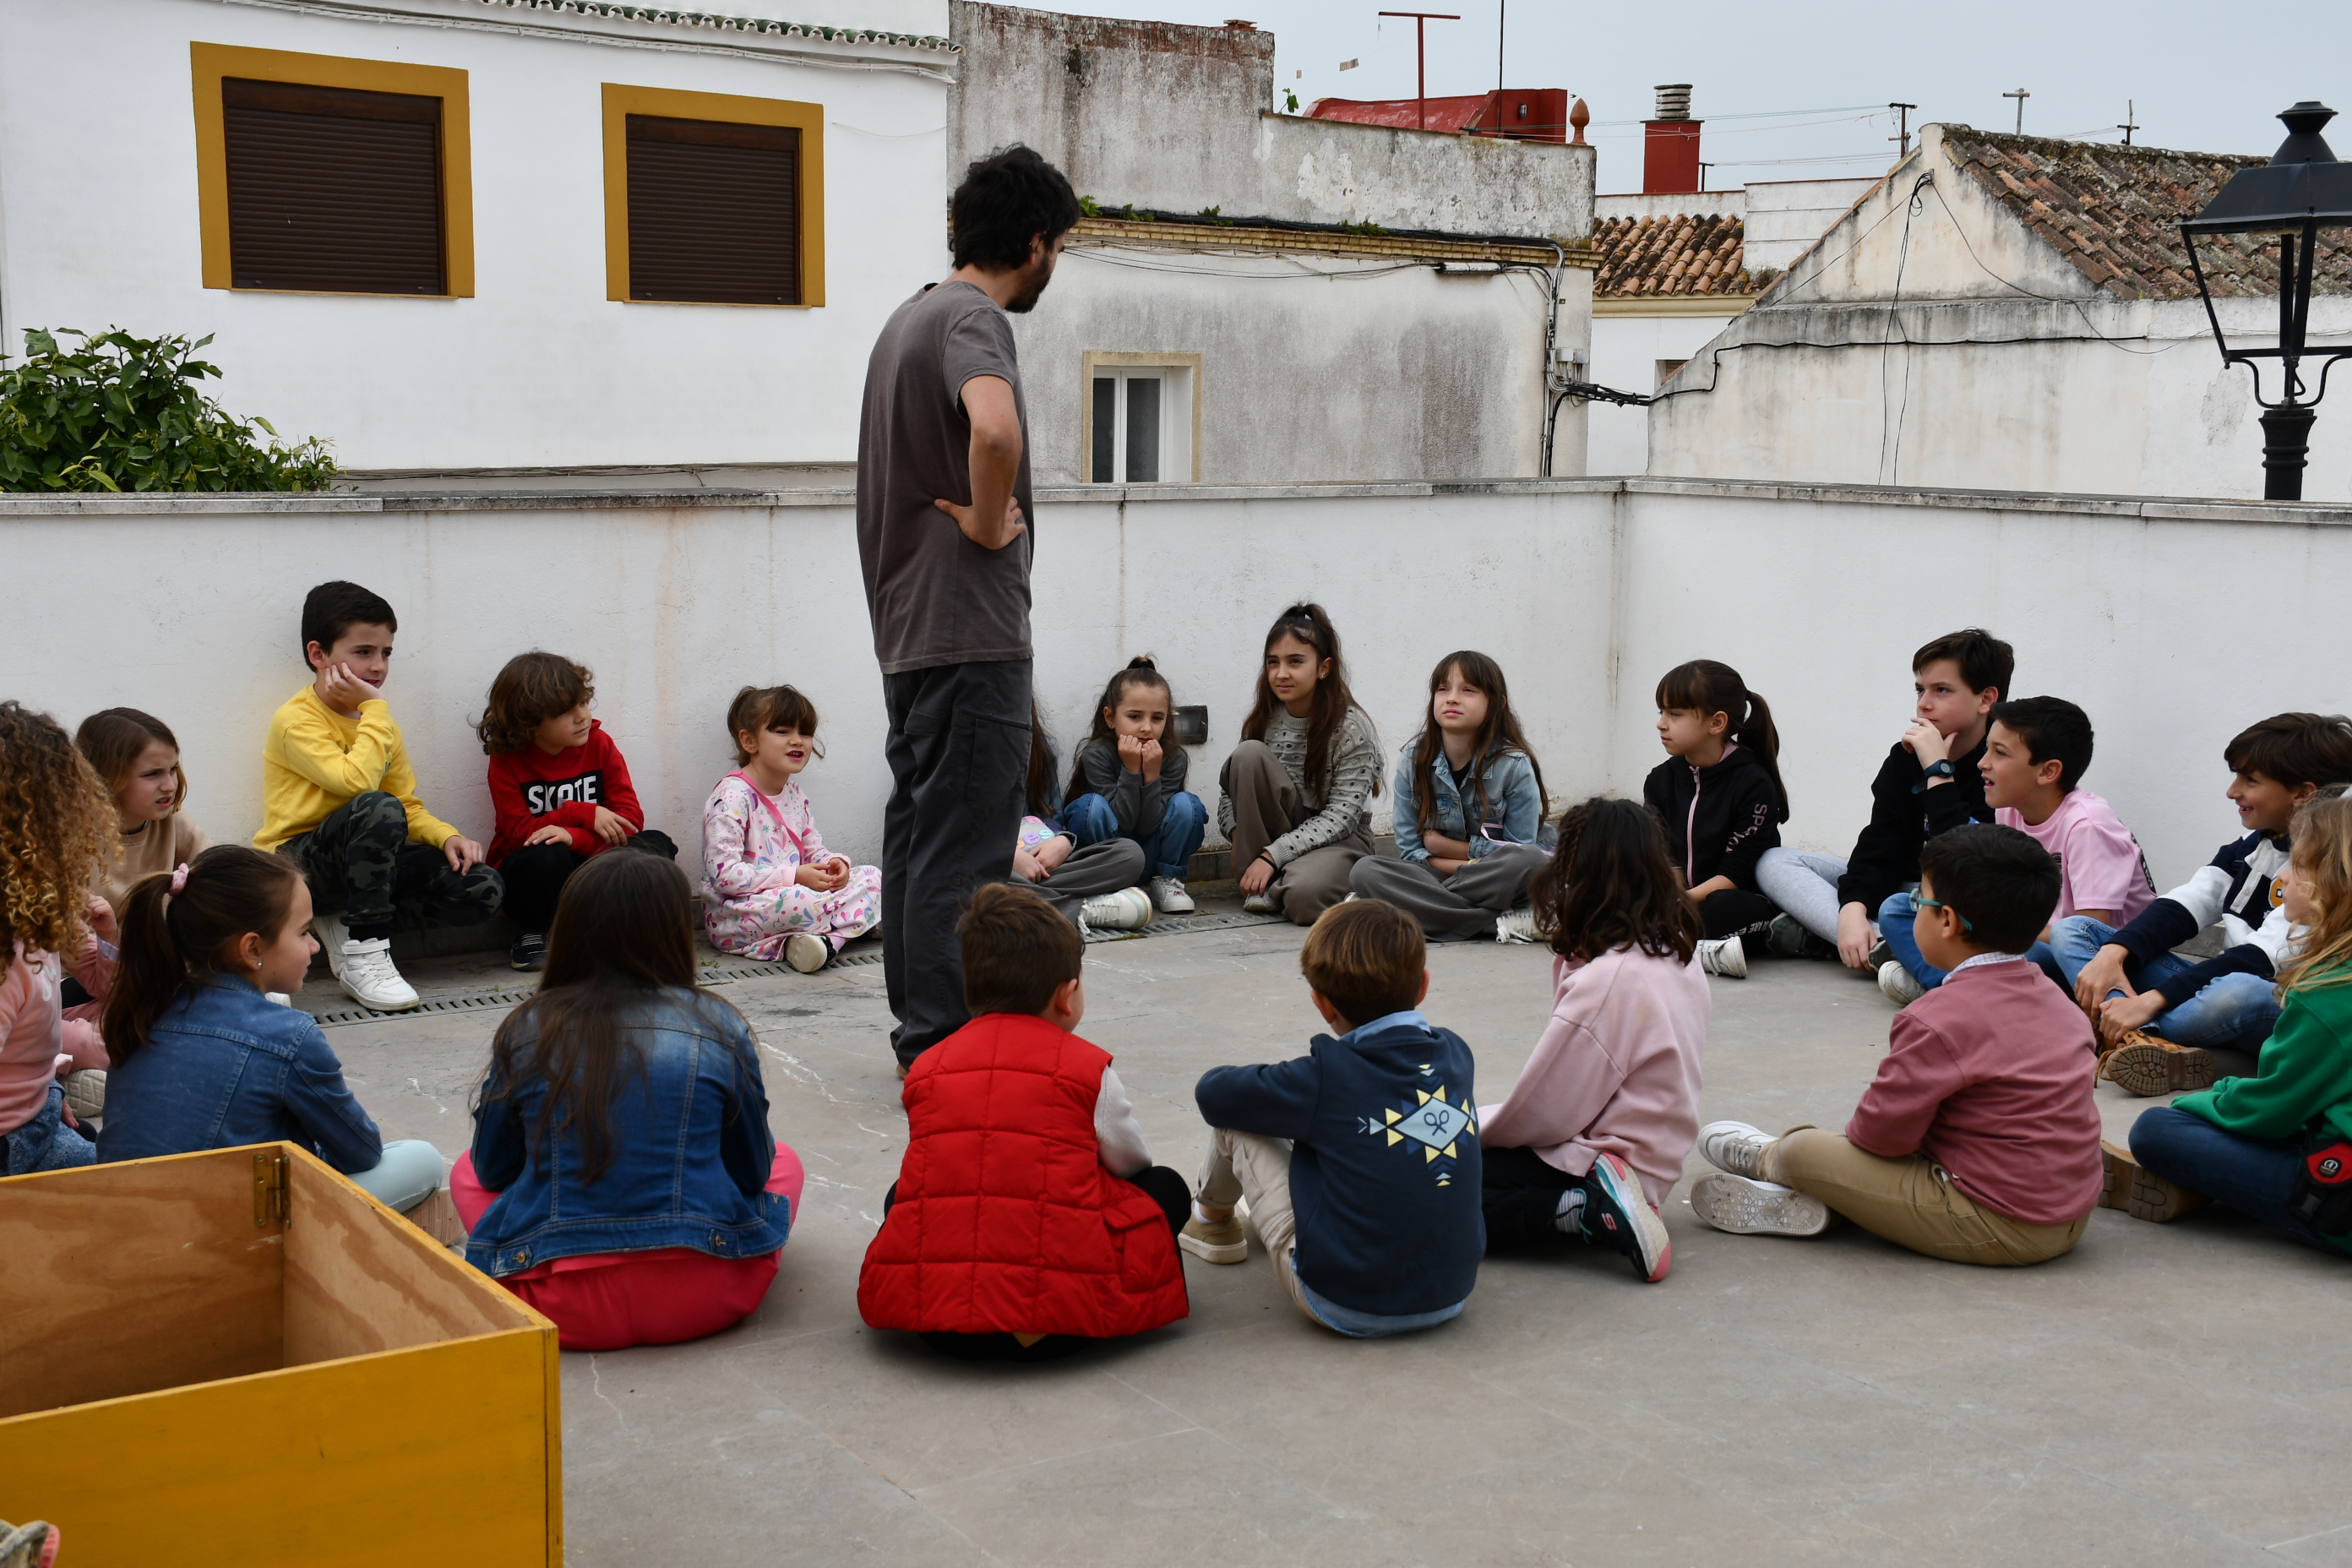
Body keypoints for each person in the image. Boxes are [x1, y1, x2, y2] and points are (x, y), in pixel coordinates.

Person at [858, 144, 1080, 1074]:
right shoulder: (973, 319)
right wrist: (990, 526)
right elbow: (994, 427)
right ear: (1034, 242)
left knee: (920, 838)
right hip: (971, 633)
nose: (1055, 262)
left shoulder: (905, 320)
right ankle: (948, 1049)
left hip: (911, 633)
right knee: (969, 850)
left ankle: (922, 1034)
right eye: (1058, 245)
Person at [1689, 823, 2103, 1266]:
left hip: (1997, 1222)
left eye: (1918, 900)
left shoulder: (1938, 1018)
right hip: (2070, 1213)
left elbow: (1880, 1137)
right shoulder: (2059, 1003)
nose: (1912, 909)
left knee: (1807, 1150)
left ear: (1947, 921)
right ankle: (1834, 1205)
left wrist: (1823, 1156)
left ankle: (1774, 1164)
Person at [455, 852, 802, 1350]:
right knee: (784, 1162)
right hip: (709, 1294)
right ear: (674, 933)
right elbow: (752, 1172)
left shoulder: (527, 1028)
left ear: (568, 930)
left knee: (464, 1172)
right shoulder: (719, 1024)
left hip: (553, 1306)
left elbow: (491, 1171)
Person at [858, 883, 1189, 1360]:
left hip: (938, 1324)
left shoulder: (927, 1067)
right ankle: (1028, 1326)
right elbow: (1131, 1164)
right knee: (1166, 1187)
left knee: (903, 1194)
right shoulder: (1087, 1068)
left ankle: (974, 1312)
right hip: (1063, 1321)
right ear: (1067, 995)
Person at [1181, 899, 1483, 1336]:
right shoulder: (1456, 1054)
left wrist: (1283, 1083)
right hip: (1452, 1293)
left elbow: (1213, 1093)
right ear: (1423, 986)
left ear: (1322, 1005)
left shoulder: (1325, 1077)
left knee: (1238, 1118)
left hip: (1342, 1302)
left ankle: (1210, 1222)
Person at [97, 845, 444, 1212]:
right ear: (252, 948)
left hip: (124, 1221)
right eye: (304, 932)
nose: (314, 946)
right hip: (229, 1230)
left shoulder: (145, 1009)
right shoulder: (287, 1035)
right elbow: (362, 1152)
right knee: (420, 1159)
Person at [2055, 714, 2352, 1097]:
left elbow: (2261, 958)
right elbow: (2186, 904)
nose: (2232, 792)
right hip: (2215, 985)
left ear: (2304, 793)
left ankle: (2125, 1028)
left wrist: (2151, 1000)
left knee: (2241, 991)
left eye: (2250, 780)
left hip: (2274, 1000)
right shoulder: (2254, 844)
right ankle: (2142, 1037)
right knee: (2074, 932)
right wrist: (2116, 952)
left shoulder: (2331, 863)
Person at [2108, 792, 2352, 1254]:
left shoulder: (2328, 991)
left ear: (2334, 885)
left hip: (2339, 1195)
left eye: (2298, 866)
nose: (2283, 877)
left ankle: (2201, 1184)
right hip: (2327, 1130)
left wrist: (2205, 1100)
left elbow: (2268, 1112)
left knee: (2158, 1129)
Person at [1478, 798, 1706, 1282]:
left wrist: (1471, 1134)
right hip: (1651, 1161)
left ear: (1576, 877)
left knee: (1432, 1182)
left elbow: (1547, 1111)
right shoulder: (1673, 953)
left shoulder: (1607, 982)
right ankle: (1599, 1204)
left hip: (1603, 1164)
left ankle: (1582, 1208)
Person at [257, 580, 503, 1013]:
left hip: (364, 867)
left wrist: (447, 836)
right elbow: (356, 784)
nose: (377, 667)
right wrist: (374, 709)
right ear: (318, 655)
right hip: (300, 867)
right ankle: (365, 950)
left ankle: (347, 922)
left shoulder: (379, 723)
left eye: (386, 653)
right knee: (375, 808)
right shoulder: (297, 720)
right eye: (363, 651)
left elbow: (403, 803)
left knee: (482, 888)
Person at [1754, 629, 2011, 973]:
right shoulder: (1905, 757)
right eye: (1920, 689)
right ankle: (1878, 945)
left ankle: (1853, 941)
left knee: (1901, 907)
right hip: (1902, 890)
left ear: (1985, 699)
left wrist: (1938, 771)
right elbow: (1882, 839)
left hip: (1957, 900)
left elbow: (1968, 867)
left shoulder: (2003, 764)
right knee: (1774, 862)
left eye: (1942, 690)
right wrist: (1853, 907)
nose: (1924, 703)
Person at [1881, 696, 2153, 1006]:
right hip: (2028, 936)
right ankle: (1958, 991)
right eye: (1987, 748)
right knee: (1900, 908)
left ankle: (1958, 992)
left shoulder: (2088, 825)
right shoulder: (2010, 808)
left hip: (2094, 961)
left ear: (2047, 771)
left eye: (1999, 752)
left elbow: (2087, 934)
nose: (1983, 762)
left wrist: (2000, 931)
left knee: (2022, 953)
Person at [479, 651, 677, 974]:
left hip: (591, 860)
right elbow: (519, 834)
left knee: (656, 844)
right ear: (529, 721)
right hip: (534, 877)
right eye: (565, 711)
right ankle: (533, 932)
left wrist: (573, 836)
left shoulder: (599, 744)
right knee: (546, 854)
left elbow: (629, 820)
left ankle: (616, 932)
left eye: (583, 703)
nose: (583, 716)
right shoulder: (507, 759)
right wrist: (582, 813)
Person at [1350, 651, 1550, 944]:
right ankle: (1495, 923)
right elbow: (1411, 852)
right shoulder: (1413, 759)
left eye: (1468, 690)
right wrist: (1460, 866)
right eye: (1443, 689)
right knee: (1364, 871)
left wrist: (1447, 847)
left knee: (1531, 862)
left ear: (1497, 704)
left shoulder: (1514, 766)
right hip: (1436, 877)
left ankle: (1409, 912)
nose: (1452, 698)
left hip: (1492, 879)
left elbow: (1518, 849)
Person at [0, 702, 115, 1173]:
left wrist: (46, 1089)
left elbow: (109, 984)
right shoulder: (8, 956)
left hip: (38, 1113)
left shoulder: (34, 910)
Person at [1220, 603, 1382, 926]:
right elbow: (1231, 793)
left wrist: (1271, 856)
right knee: (1248, 754)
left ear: (1323, 668)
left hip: (1341, 840)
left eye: (1295, 661)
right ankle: (1277, 880)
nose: (1281, 673)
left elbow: (1341, 819)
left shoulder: (1351, 728)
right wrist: (1237, 834)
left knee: (1304, 898)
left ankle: (1288, 881)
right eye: (1273, 662)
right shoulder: (1263, 719)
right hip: (1281, 835)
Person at [701, 684, 880, 974]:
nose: (797, 741)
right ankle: (851, 928)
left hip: (796, 896)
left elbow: (813, 851)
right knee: (799, 901)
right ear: (749, 741)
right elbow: (724, 875)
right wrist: (794, 876)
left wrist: (835, 866)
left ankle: (815, 943)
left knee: (873, 877)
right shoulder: (732, 797)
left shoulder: (795, 794)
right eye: (783, 731)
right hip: (739, 913)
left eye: (805, 733)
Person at [1641, 659, 1788, 980]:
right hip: (1681, 900)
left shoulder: (1753, 784)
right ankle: (1687, 946)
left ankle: (1669, 942)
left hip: (1738, 899)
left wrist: (1675, 904)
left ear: (1717, 723)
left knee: (1721, 910)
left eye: (1675, 714)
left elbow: (1734, 873)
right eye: (1661, 712)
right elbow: (1665, 855)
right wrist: (1669, 897)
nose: (1661, 724)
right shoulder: (1660, 781)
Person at [1064, 657, 1207, 914]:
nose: (1146, 728)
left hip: (1153, 855)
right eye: (1134, 716)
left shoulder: (1173, 758)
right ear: (1110, 717)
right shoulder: (1097, 755)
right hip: (1112, 856)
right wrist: (1131, 770)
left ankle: (1168, 879)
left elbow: (1148, 825)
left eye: (1157, 718)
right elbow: (1124, 822)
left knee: (1188, 805)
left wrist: (1152, 775)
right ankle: (1107, 886)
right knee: (1089, 807)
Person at [74, 707, 211, 914]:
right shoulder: (70, 836)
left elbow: (222, 878)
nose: (170, 786)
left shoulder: (173, 822)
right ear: (106, 776)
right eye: (152, 774)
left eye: (173, 770)